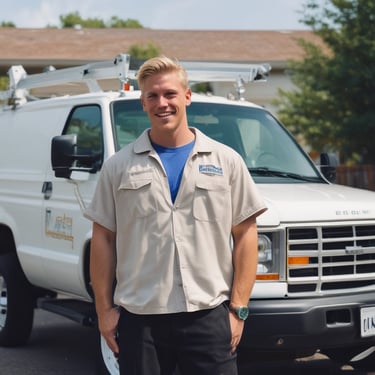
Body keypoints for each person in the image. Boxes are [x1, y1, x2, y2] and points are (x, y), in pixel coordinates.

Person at [84, 55, 267, 375]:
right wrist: (103, 310)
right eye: (152, 96)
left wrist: (239, 309)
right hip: (141, 321)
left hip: (208, 317)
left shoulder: (227, 161)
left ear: (187, 96)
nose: (161, 103)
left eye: (169, 94)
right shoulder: (118, 167)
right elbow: (103, 238)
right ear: (142, 102)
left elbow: (245, 234)